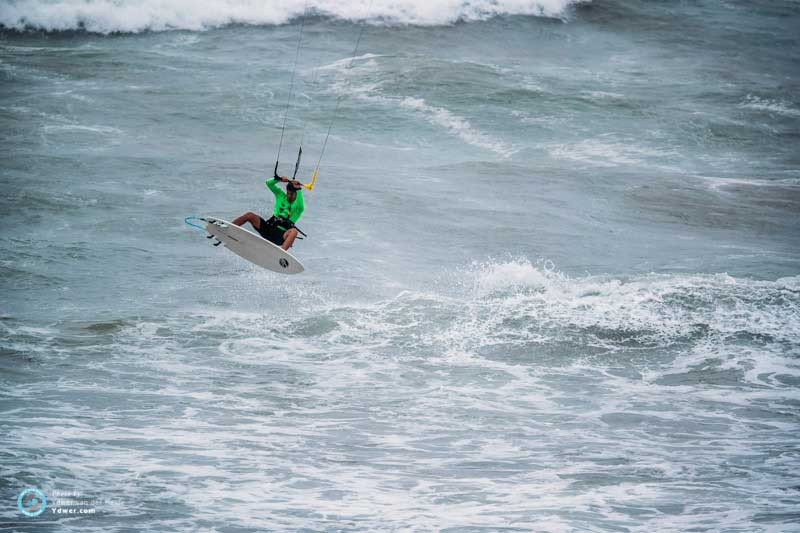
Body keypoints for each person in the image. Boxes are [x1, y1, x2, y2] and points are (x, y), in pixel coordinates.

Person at [232, 175, 304, 250]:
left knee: (294, 232)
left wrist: (298, 188)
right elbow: (269, 183)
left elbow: (300, 203)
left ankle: (280, 254)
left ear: (296, 194)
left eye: (291, 194)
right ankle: (228, 229)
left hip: (281, 236)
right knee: (250, 215)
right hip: (268, 229)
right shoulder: (280, 195)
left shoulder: (298, 207)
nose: (289, 196)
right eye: (288, 193)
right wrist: (279, 179)